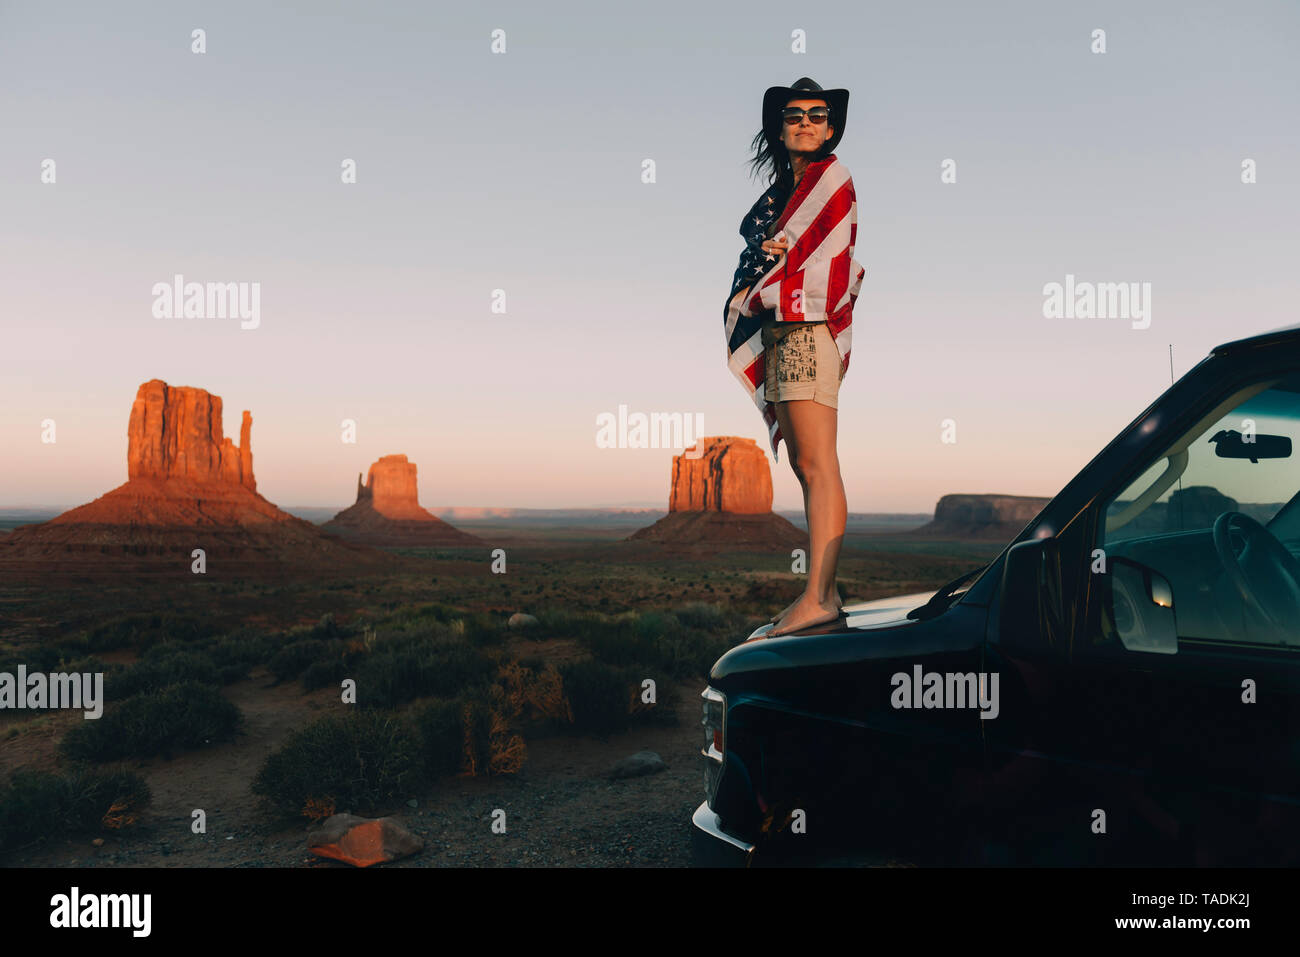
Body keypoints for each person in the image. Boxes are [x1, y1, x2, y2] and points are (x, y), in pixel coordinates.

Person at [723, 77, 865, 637]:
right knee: (807, 468)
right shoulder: (782, 195)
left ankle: (819, 598)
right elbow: (769, 253)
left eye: (817, 114)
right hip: (782, 329)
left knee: (818, 465)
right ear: (780, 128)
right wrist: (773, 255)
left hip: (807, 328)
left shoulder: (832, 178)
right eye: (793, 115)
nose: (805, 121)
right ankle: (819, 595)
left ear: (831, 128)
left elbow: (829, 258)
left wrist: (778, 262)